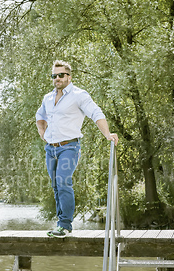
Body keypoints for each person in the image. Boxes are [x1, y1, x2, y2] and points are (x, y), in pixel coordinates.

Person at [36, 60, 118, 238]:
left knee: (63, 181)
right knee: (56, 186)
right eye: (54, 76)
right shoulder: (48, 98)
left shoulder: (79, 95)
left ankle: (65, 226)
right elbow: (40, 115)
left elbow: (96, 113)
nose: (57, 78)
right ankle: (60, 224)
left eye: (61, 75)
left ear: (69, 77)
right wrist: (42, 132)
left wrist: (107, 134)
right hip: (50, 149)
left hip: (69, 147)